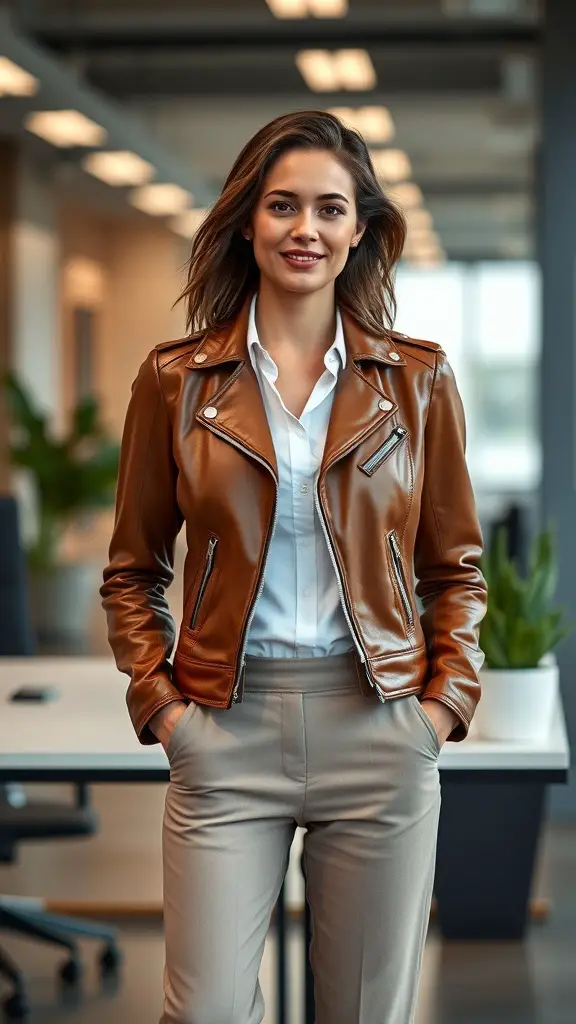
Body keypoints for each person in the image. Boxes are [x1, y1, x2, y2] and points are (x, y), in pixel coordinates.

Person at [100, 109, 488, 1024]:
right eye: (282, 206)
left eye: (328, 209)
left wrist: (438, 711)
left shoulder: (418, 382)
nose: (304, 229)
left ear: (359, 232)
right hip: (224, 734)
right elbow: (131, 569)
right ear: (247, 221)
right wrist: (164, 708)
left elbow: (456, 569)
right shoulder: (176, 382)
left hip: (380, 729)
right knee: (205, 1013)